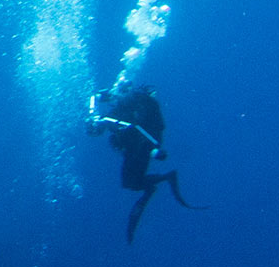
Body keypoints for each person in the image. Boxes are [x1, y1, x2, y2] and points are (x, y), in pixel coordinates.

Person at [87, 85, 205, 242]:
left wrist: (108, 123)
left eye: (117, 93)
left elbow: (136, 125)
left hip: (144, 145)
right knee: (129, 182)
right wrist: (94, 123)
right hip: (136, 145)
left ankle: (164, 179)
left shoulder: (138, 101)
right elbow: (101, 124)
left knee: (132, 181)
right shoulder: (122, 106)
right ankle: (158, 183)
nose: (113, 96)